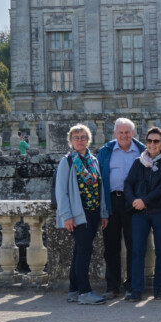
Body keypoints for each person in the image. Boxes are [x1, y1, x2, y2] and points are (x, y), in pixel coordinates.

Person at [56, 124, 107, 305]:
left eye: (83, 137)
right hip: (77, 214)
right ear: (70, 141)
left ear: (88, 140)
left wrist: (103, 213)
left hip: (93, 212)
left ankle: (74, 290)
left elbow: (99, 187)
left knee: (79, 250)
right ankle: (85, 292)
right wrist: (66, 216)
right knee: (85, 251)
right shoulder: (67, 161)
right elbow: (61, 191)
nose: (80, 140)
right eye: (76, 137)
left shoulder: (93, 160)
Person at [122, 127, 161, 302]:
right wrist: (133, 201)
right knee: (137, 250)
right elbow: (128, 183)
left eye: (156, 141)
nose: (152, 144)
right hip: (139, 212)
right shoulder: (139, 162)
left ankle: (159, 288)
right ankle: (136, 289)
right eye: (150, 141)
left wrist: (144, 200)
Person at [97, 117, 144, 299]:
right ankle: (112, 286)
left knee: (135, 246)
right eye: (121, 132)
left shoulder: (141, 150)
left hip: (133, 204)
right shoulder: (106, 151)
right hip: (112, 201)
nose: (124, 136)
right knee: (111, 246)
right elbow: (99, 181)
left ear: (133, 133)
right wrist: (103, 210)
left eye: (127, 132)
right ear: (114, 133)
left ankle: (132, 285)